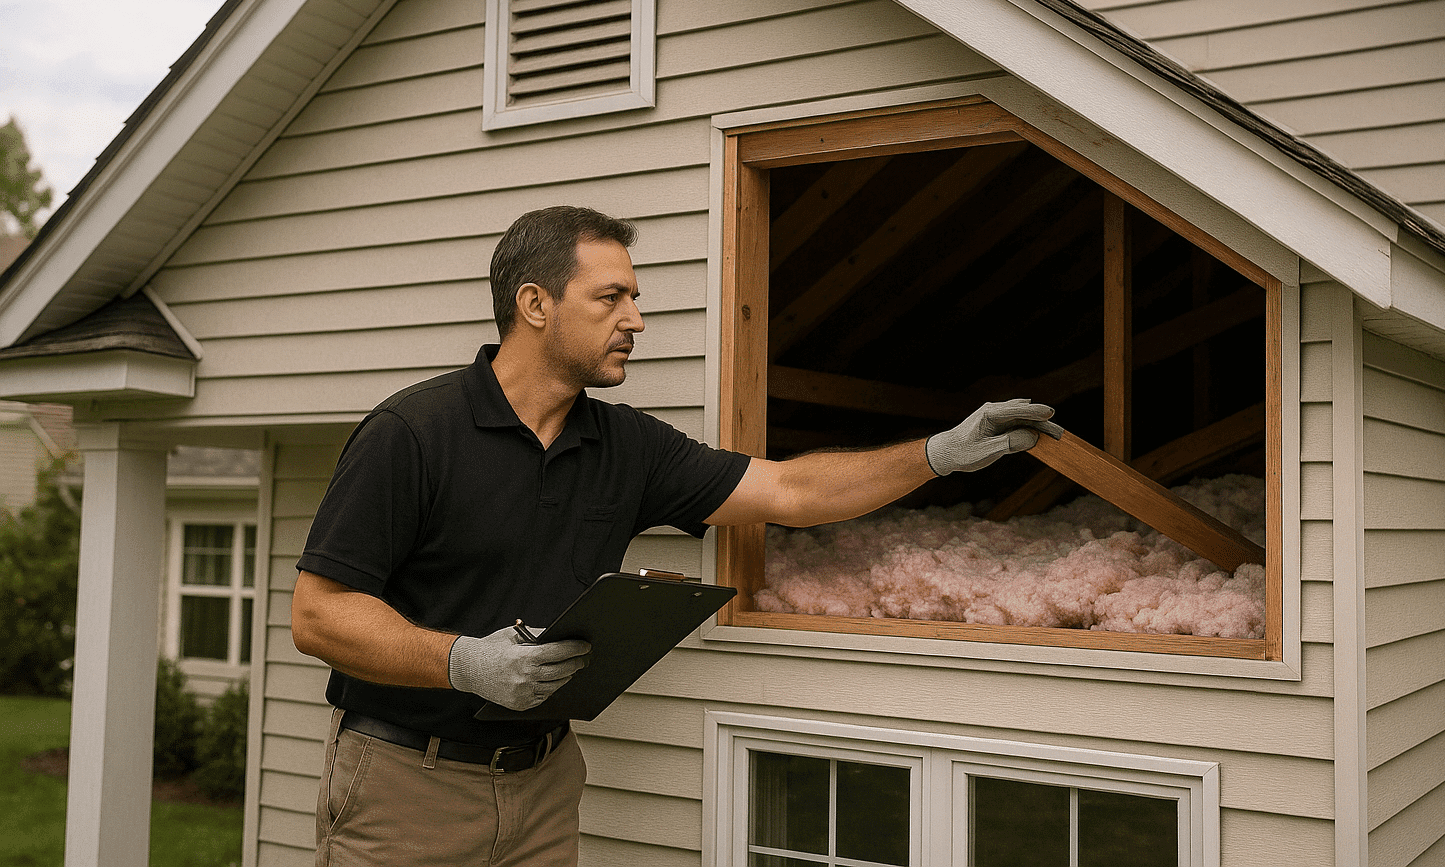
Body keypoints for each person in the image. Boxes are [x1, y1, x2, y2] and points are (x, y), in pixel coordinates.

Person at [290, 206, 1059, 866]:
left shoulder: (627, 447)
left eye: (636, 297)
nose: (636, 318)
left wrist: (937, 454)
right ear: (535, 304)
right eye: (611, 297)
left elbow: (790, 489)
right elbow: (319, 613)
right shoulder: (413, 433)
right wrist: (465, 662)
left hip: (545, 782)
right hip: (404, 781)